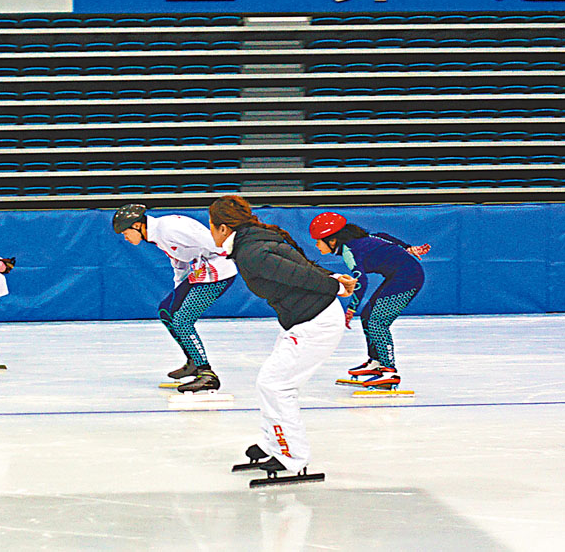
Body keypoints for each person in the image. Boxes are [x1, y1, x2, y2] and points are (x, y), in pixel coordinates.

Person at [208, 196, 355, 475]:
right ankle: (275, 443)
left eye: (212, 226)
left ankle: (292, 456)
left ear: (224, 228)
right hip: (305, 318)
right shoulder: (258, 239)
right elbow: (302, 265)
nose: (211, 233)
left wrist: (333, 285)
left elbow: (296, 273)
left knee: (275, 385)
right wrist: (334, 279)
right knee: (272, 382)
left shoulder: (252, 251)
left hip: (315, 322)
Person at [113, 204, 238, 393]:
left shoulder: (169, 229)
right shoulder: (156, 235)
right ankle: (194, 361)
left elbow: (214, 242)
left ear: (137, 226)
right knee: (167, 311)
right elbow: (178, 262)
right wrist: (179, 289)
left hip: (217, 272)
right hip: (201, 270)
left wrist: (227, 257)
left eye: (125, 232)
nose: (125, 237)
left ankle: (207, 374)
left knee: (182, 321)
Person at [309, 212, 429, 387]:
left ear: (332, 240)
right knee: (368, 316)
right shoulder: (361, 239)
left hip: (408, 278)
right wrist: (408, 248)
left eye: (319, 240)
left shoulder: (350, 251)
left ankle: (389, 371)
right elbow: (382, 236)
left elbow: (361, 282)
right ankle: (375, 362)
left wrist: (350, 309)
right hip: (400, 275)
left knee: (378, 322)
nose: (316, 244)